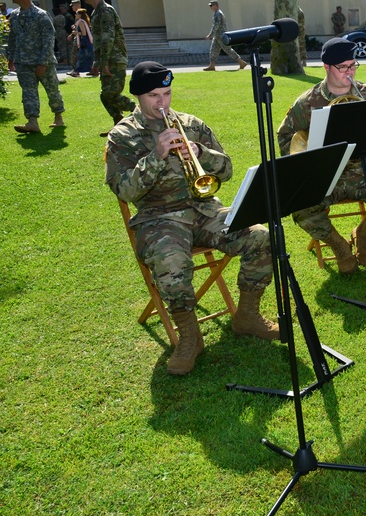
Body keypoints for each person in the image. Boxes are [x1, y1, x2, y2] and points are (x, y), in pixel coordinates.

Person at [105, 62, 280, 375]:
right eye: (154, 96)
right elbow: (126, 190)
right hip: (158, 218)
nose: (163, 102)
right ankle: (189, 337)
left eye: (168, 93)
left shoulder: (191, 124)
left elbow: (226, 170)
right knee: (170, 261)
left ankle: (248, 316)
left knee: (261, 236)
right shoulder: (123, 135)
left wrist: (201, 153)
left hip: (205, 210)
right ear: (138, 97)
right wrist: (155, 157)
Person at [276, 38, 366, 274]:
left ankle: (363, 235)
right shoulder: (307, 102)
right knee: (301, 207)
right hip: (326, 175)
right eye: (343, 67)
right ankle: (339, 247)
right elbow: (286, 136)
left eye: (353, 65)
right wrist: (306, 157)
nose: (350, 72)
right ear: (327, 67)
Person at [7, 0, 66, 134]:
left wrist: (43, 62)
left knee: (52, 90)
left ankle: (58, 117)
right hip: (23, 62)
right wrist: (11, 57)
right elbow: (12, 38)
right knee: (28, 92)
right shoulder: (14, 15)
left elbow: (48, 39)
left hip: (42, 62)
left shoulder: (40, 15)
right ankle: (32, 122)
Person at [80, 0, 133, 135]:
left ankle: (138, 111)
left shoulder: (105, 11)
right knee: (105, 95)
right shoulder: (96, 12)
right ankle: (118, 125)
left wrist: (104, 62)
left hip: (114, 59)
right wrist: (98, 62)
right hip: (107, 59)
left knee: (111, 94)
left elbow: (107, 38)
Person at [204, 0, 247, 71]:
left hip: (221, 36)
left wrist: (210, 35)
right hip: (217, 36)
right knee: (213, 50)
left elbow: (216, 26)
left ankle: (241, 62)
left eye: (211, 6)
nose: (210, 7)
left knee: (228, 50)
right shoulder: (216, 13)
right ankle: (212, 65)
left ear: (215, 5)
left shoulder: (218, 14)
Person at [69, 8, 94, 76]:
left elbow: (83, 33)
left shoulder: (81, 22)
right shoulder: (83, 21)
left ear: (80, 15)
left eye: (77, 13)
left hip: (84, 42)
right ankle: (91, 70)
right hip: (86, 42)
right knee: (88, 56)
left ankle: (76, 71)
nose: (75, 15)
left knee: (81, 56)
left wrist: (75, 32)